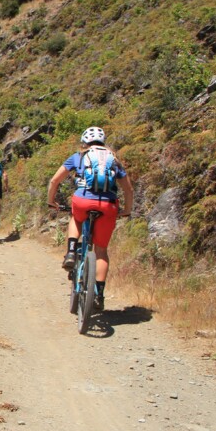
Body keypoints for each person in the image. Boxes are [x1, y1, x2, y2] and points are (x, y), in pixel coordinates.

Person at [46, 126, 134, 310]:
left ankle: (71, 251)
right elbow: (128, 189)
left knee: (76, 218)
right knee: (101, 251)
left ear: (84, 142)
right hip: (108, 205)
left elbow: (55, 180)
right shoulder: (114, 160)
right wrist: (126, 210)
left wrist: (51, 200)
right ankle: (98, 296)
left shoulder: (78, 156)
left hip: (83, 200)